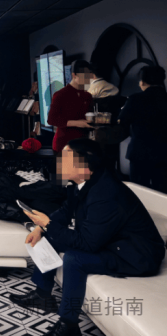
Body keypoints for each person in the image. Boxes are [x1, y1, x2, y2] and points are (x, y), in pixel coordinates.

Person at [9, 138, 165, 336]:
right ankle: (42, 295)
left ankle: (68, 326)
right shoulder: (82, 182)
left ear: (85, 166)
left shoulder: (106, 194)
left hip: (136, 255)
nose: (59, 163)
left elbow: (87, 244)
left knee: (74, 259)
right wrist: (41, 228)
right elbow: (65, 211)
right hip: (111, 240)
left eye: (66, 159)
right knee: (49, 236)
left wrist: (48, 224)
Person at [119, 65, 167, 192]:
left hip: (140, 152)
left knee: (139, 191)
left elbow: (122, 120)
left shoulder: (135, 99)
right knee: (163, 191)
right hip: (164, 153)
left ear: (142, 82)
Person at [48, 60, 94, 154]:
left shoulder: (87, 96)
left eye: (89, 75)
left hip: (82, 144)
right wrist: (77, 123)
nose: (88, 79)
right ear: (74, 75)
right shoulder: (60, 94)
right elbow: (51, 120)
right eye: (85, 75)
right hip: (64, 144)